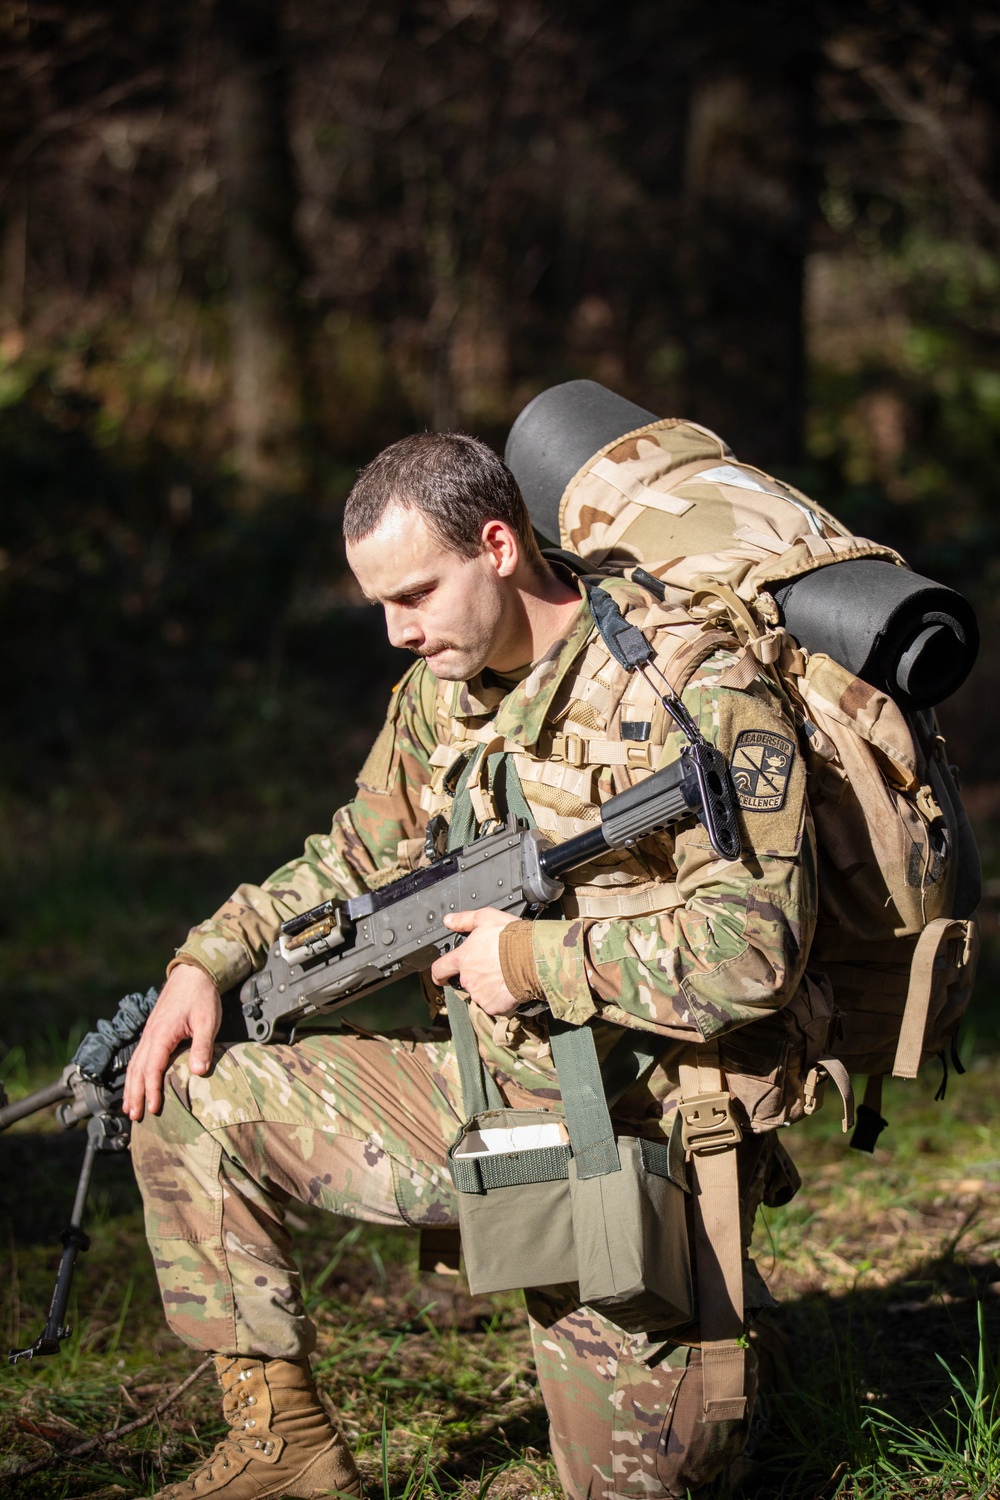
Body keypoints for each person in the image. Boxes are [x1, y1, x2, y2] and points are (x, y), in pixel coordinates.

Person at [123, 431, 813, 1500]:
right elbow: (354, 854)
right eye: (379, 609)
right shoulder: (442, 694)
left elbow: (756, 952)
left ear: (496, 544)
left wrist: (533, 959)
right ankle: (289, 1451)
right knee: (181, 1087)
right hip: (490, 1099)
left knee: (639, 1485)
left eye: (414, 595)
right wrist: (207, 959)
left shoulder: (687, 684)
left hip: (635, 1145)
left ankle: (716, 1301)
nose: (398, 633)